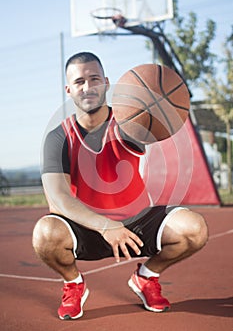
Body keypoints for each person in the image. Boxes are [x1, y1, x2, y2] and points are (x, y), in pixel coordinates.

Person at [32, 52, 208, 320]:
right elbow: (58, 199)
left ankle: (146, 277)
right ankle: (73, 283)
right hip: (88, 227)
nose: (88, 87)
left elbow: (157, 113)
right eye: (79, 82)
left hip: (135, 222)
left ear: (106, 82)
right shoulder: (59, 137)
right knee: (45, 233)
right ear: (69, 90)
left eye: (94, 79)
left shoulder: (130, 121)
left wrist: (164, 99)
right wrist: (105, 225)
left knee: (193, 229)